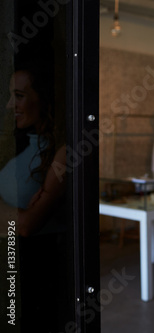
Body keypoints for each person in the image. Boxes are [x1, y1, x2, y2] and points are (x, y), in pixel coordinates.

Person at [0, 63, 67, 332]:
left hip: (33, 268)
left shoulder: (64, 152)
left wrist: (13, 219)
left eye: (18, 96)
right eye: (9, 96)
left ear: (44, 98)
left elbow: (26, 226)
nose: (8, 106)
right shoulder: (24, 147)